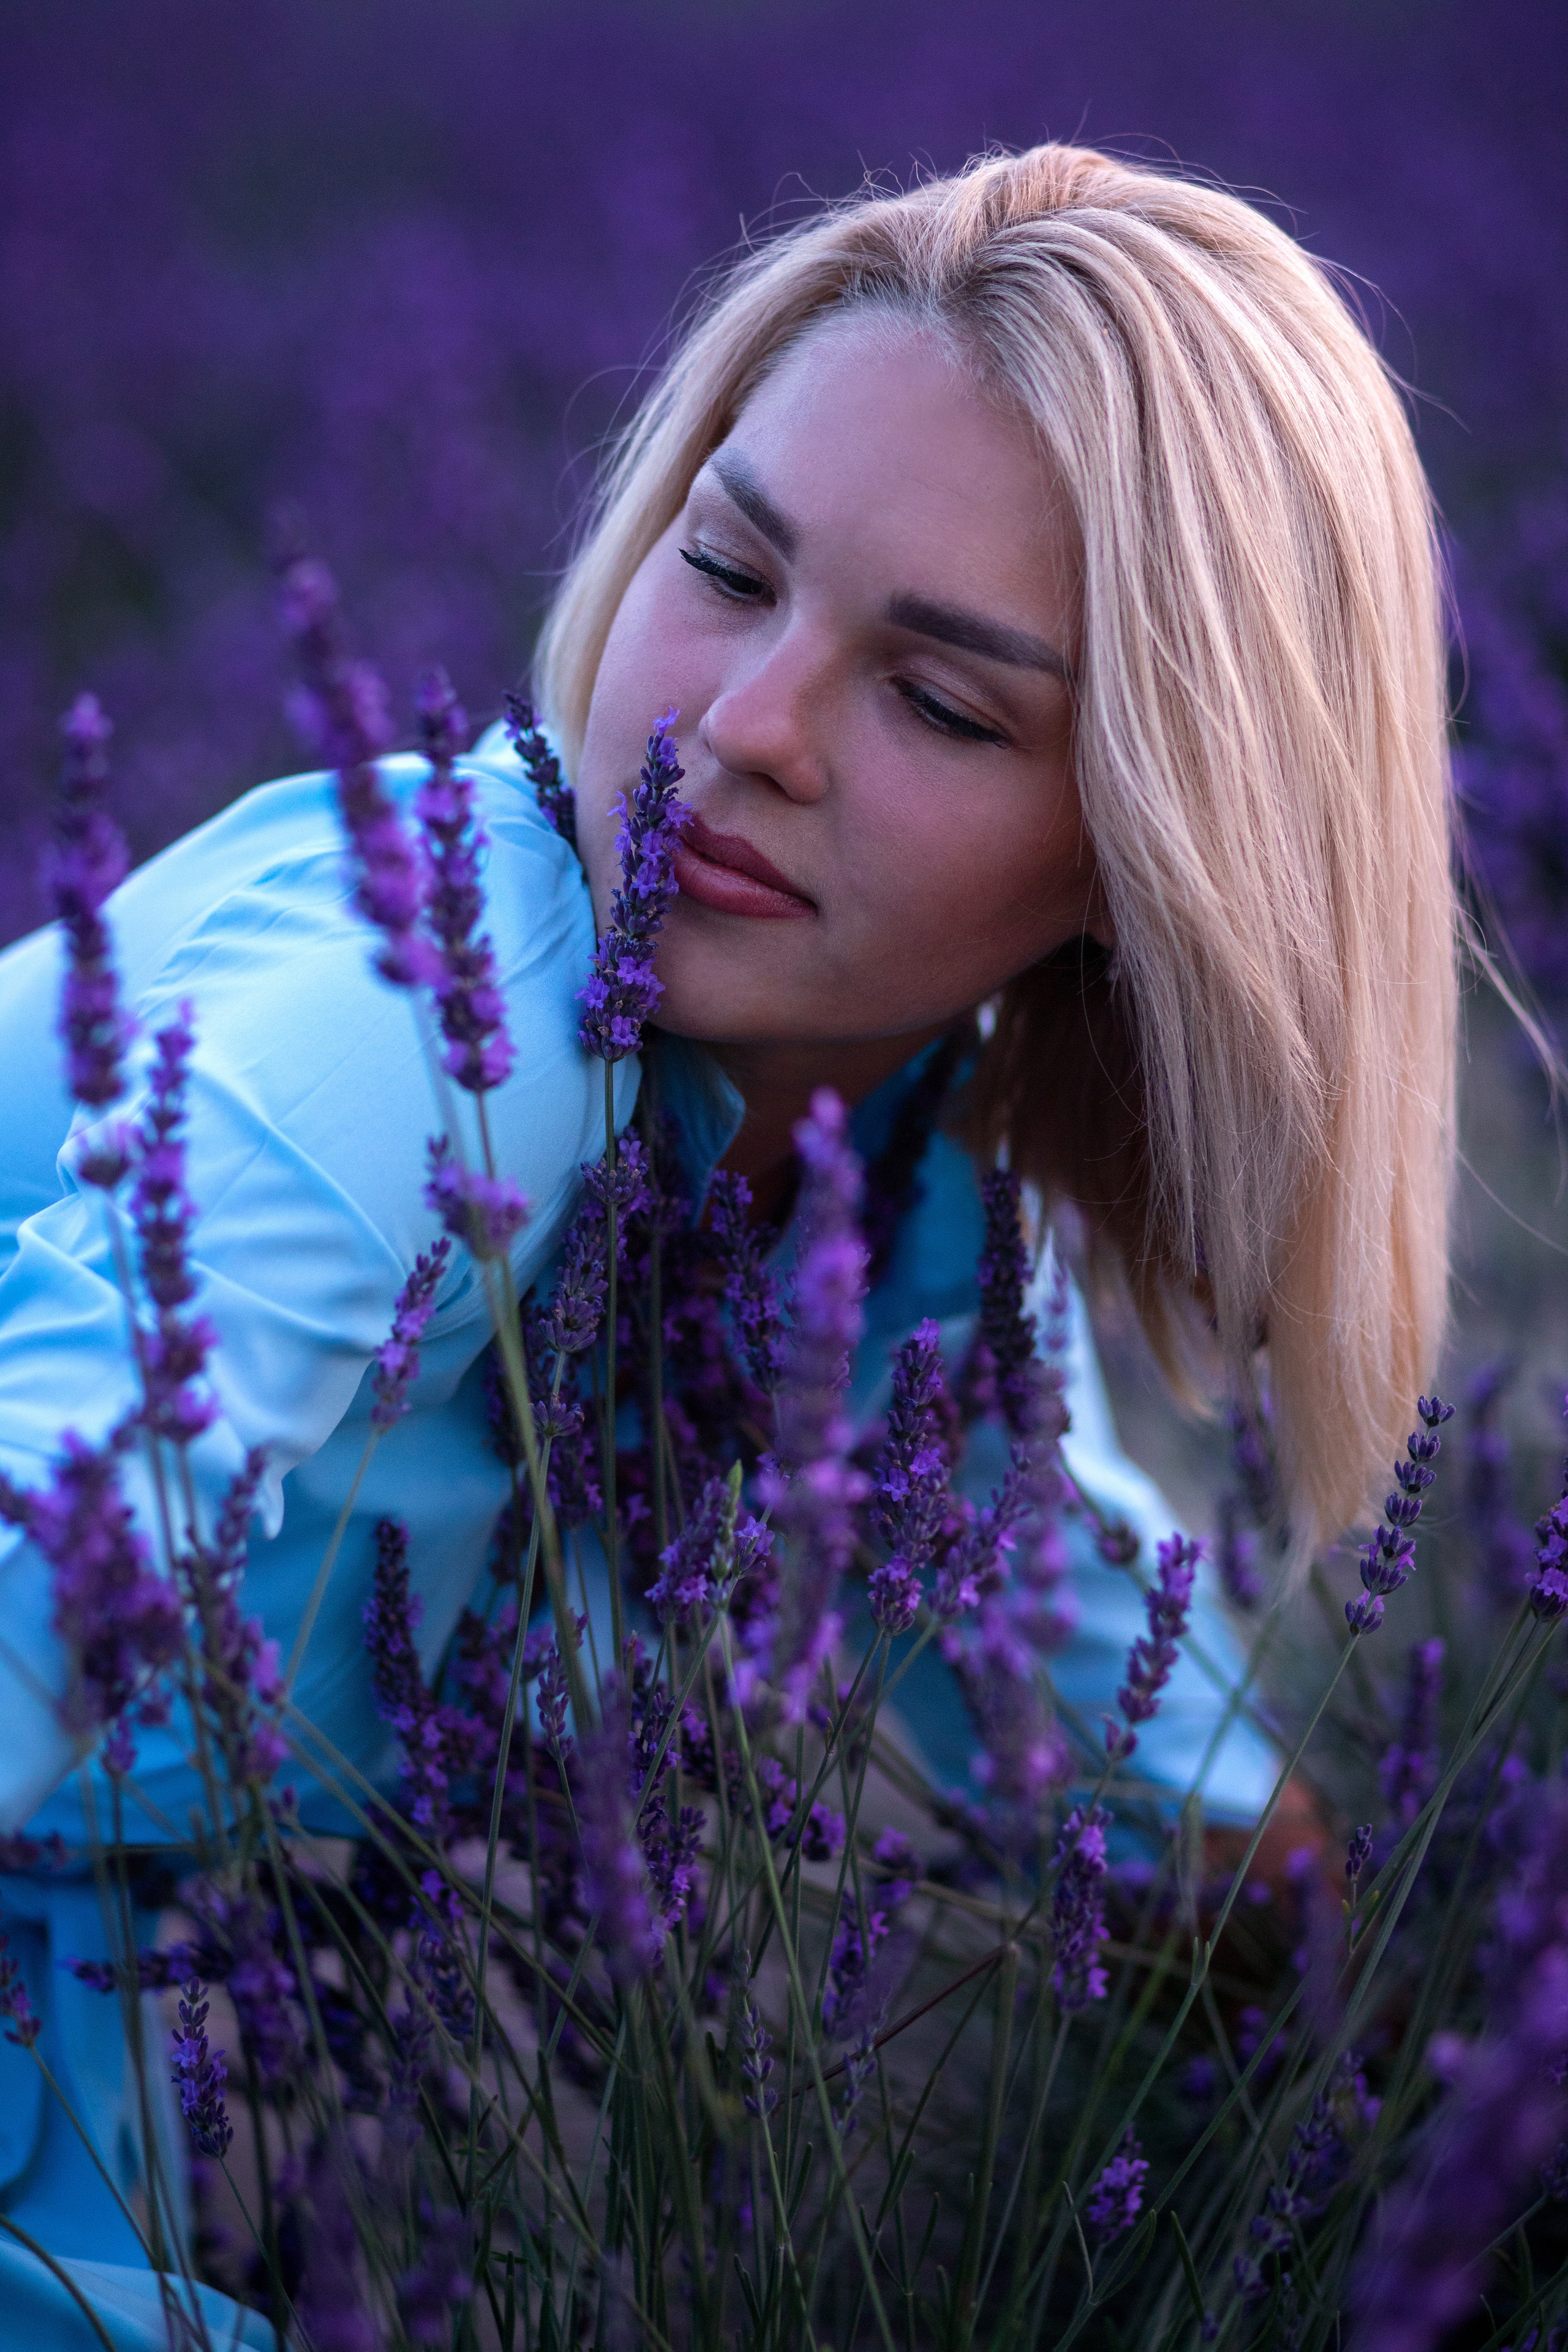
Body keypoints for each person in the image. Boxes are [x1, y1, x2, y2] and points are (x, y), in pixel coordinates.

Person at [0, 141, 1454, 2343]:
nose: (741, 728)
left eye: (945, 703)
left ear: (1155, 849)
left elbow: (1083, 1690)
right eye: (727, 565)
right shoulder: (422, 1019)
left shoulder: (889, 1192)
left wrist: (1454, 2096)